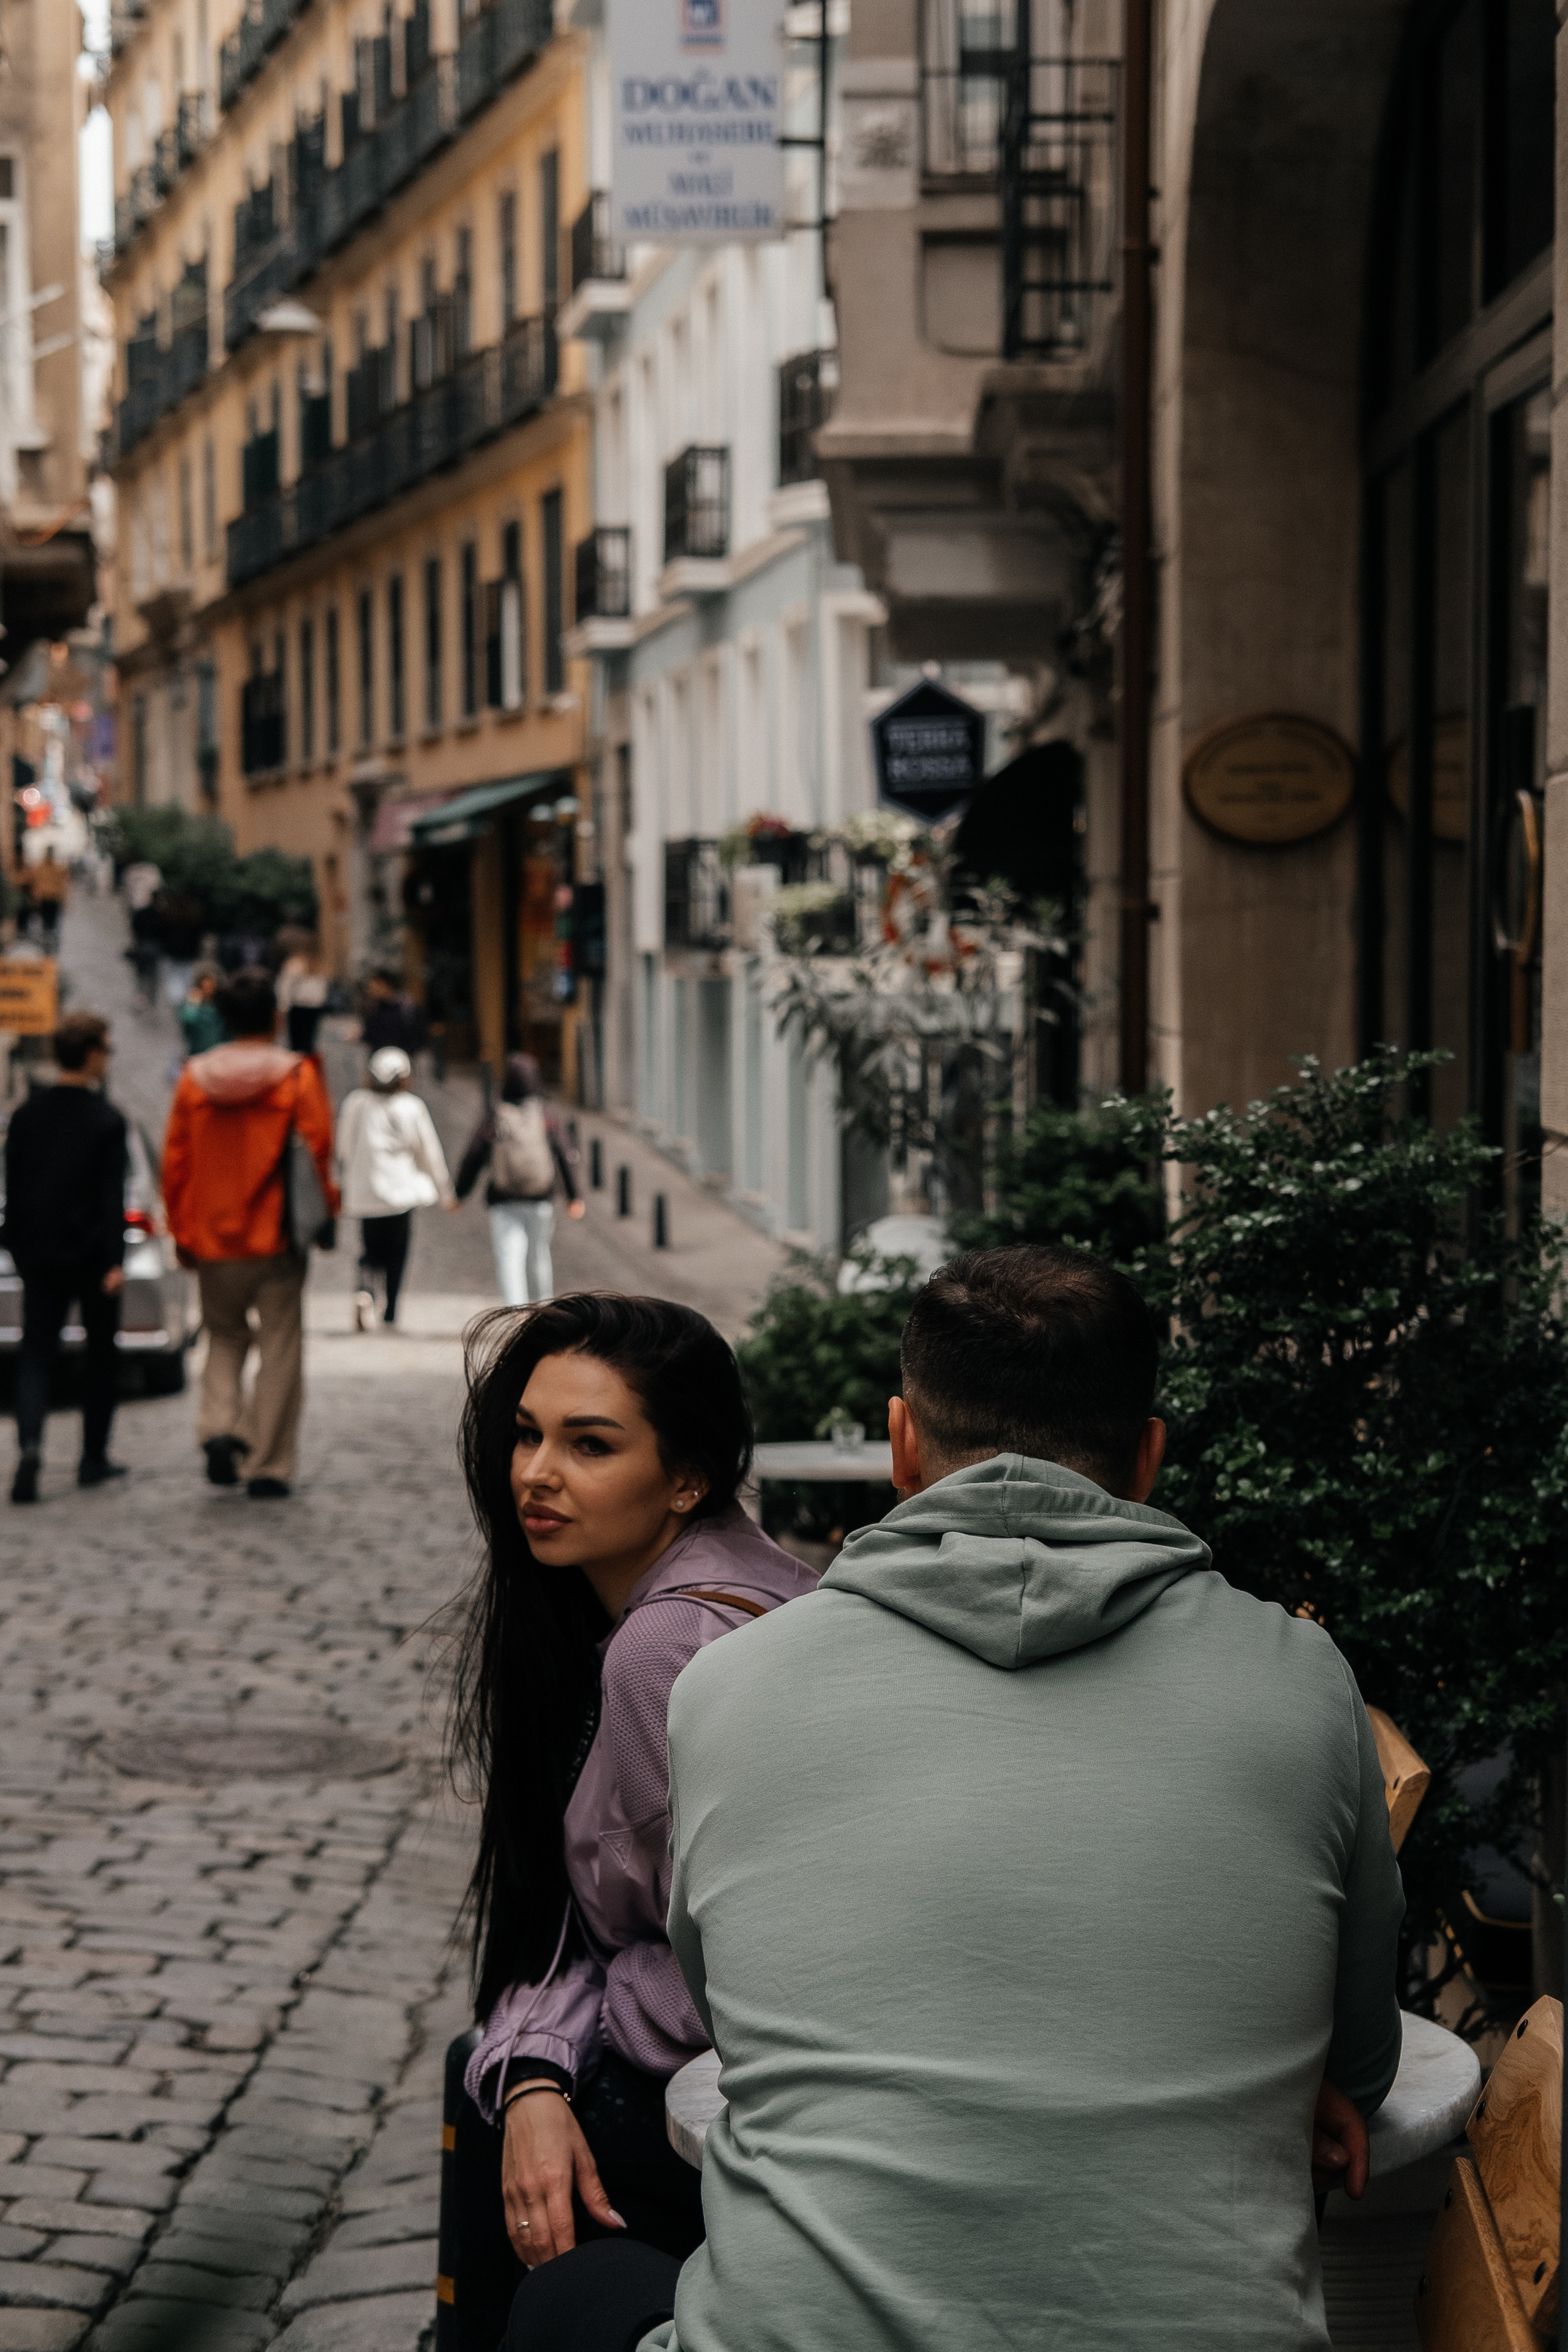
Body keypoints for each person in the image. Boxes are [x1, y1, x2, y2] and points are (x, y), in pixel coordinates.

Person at [514, 1245, 1407, 2352]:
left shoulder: (726, 1689)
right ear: (1147, 1457)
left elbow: (738, 2020)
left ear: (901, 1444)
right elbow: (1364, 2060)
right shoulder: (1303, 1680)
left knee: (567, 2301)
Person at [446, 1295, 818, 2352]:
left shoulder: (664, 1648)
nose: (535, 1474)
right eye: (526, 1433)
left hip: (734, 2086)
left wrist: (536, 2070)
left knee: (491, 2096)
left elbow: (654, 1944)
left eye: (590, 1444)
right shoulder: (765, 1584)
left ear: (689, 1477)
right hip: (756, 2064)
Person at [160, 968, 337, 1501]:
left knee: (224, 1336)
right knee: (280, 1345)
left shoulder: (194, 1078)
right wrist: (324, 1214)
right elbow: (320, 1152)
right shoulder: (297, 1076)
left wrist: (182, 1232)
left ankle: (218, 1428)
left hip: (214, 1238)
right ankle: (267, 1462)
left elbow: (176, 1164)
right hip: (277, 1237)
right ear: (277, 1019)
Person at [2, 1012, 129, 1504]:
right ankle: (92, 1458)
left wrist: (16, 1244)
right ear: (93, 1054)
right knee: (100, 1358)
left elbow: (14, 1189)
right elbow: (110, 1198)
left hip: (40, 1255)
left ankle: (31, 1446)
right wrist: (113, 1259)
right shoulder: (106, 1119)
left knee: (36, 1355)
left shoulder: (29, 1116)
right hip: (94, 1258)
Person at [336, 1045, 456, 1329]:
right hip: (401, 1195)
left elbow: (343, 1147)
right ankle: (390, 1311)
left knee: (370, 1250)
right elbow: (430, 1153)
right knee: (397, 1253)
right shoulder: (412, 1106)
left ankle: (365, 1292)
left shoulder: (357, 1102)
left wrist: (345, 1179)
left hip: (365, 1192)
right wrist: (446, 1193)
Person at [457, 1055, 583, 1307]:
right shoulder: (545, 1114)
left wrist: (460, 1193)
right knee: (539, 1256)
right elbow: (565, 1153)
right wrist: (574, 1196)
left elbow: (475, 1154)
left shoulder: (495, 1115)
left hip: (504, 1200)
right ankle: (544, 1311)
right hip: (541, 1198)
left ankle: (516, 1314)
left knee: (509, 1259)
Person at [276, 929, 330, 1055]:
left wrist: (283, 1006)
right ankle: (304, 1069)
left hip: (302, 1006)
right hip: (310, 1006)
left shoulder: (298, 963)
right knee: (305, 1042)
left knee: (299, 1042)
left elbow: (285, 986)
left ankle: (301, 1070)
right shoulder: (314, 964)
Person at [361, 968, 425, 1061]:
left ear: (385, 985)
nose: (370, 990)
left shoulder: (407, 1007)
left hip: (402, 1062)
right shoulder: (373, 1008)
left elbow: (418, 1038)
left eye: (373, 987)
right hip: (379, 1062)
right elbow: (371, 1037)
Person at [178, 963, 227, 1058]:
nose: (208, 991)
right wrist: (193, 1003)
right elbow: (187, 1019)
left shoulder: (222, 1005)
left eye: (211, 987)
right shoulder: (193, 1005)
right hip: (198, 1051)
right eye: (205, 987)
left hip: (218, 1052)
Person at [28, 847, 69, 949]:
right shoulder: (42, 867)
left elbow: (62, 885)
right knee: (46, 923)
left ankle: (50, 943)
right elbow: (35, 883)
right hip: (45, 899)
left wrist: (64, 900)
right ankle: (47, 943)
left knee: (51, 923)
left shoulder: (56, 868)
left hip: (53, 899)